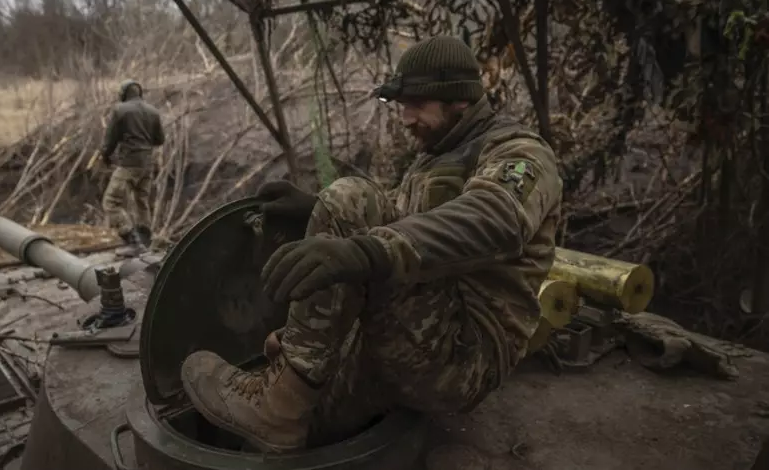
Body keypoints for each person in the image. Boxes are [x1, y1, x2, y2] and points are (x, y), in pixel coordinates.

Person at [180, 36, 563, 451]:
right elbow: (401, 214)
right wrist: (313, 208)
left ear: (459, 100)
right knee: (298, 431)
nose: (405, 118)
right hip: (419, 333)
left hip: (464, 354)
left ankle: (277, 404)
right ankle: (284, 402)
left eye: (416, 104)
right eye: (400, 105)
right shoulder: (436, 155)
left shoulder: (518, 152)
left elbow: (496, 218)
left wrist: (363, 247)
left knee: (350, 197)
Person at [100, 80, 164, 250]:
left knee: (111, 202)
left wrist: (105, 155)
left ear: (123, 94)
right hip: (148, 164)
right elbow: (160, 140)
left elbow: (110, 139)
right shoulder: (153, 111)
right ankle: (145, 239)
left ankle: (133, 241)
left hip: (129, 163)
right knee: (141, 201)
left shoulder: (120, 110)